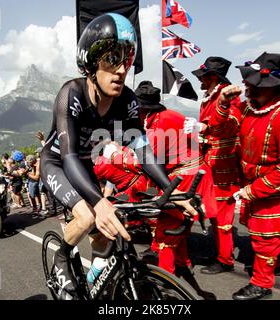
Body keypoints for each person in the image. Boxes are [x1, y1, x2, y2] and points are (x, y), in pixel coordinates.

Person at [39, 13, 197, 300]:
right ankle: (62, 256)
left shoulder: (127, 100)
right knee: (88, 217)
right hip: (59, 162)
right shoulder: (71, 94)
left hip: (83, 164)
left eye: (127, 60)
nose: (122, 70)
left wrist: (171, 190)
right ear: (90, 62)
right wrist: (98, 203)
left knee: (109, 229)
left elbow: (142, 149)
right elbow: (70, 155)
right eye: (112, 59)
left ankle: (97, 274)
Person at [105, 81, 218, 276]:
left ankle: (168, 280)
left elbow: (147, 161)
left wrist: (116, 155)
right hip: (183, 175)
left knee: (165, 231)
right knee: (177, 229)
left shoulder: (162, 121)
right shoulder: (157, 118)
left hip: (187, 177)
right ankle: (182, 263)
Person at [224, 52, 280, 300]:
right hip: (252, 181)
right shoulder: (251, 107)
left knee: (265, 238)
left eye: (252, 82)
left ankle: (261, 285)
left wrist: (253, 190)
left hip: (274, 188)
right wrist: (222, 102)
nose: (246, 86)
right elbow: (221, 126)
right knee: (259, 234)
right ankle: (273, 264)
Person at [186, 56, 241, 274]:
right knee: (214, 212)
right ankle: (220, 253)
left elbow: (229, 125)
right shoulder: (209, 97)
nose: (200, 80)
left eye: (203, 76)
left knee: (223, 216)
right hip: (211, 160)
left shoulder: (226, 96)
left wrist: (205, 128)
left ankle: (225, 259)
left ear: (211, 77)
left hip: (224, 164)